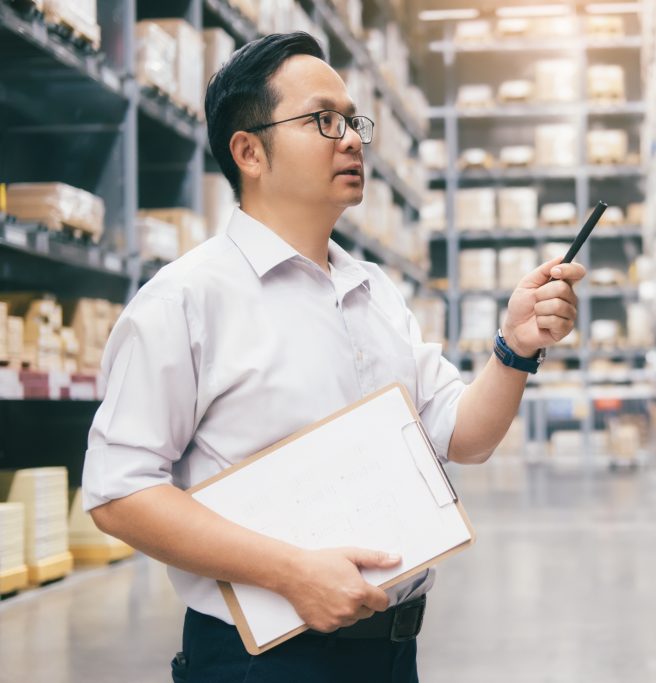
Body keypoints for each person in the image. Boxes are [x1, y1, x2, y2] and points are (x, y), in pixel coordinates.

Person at [81, 32, 586, 682]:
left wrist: (516, 347)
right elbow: (119, 490)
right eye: (324, 120)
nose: (351, 138)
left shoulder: (372, 289)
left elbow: (465, 434)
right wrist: (291, 571)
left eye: (353, 120)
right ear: (249, 151)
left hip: (392, 652)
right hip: (263, 662)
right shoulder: (185, 299)